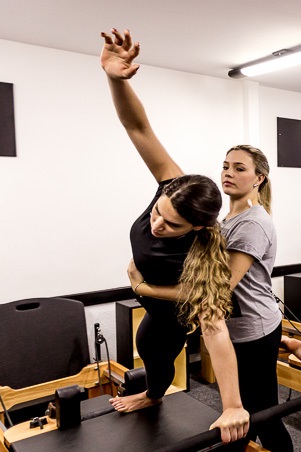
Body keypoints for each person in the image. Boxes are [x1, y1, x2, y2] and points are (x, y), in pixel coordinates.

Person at [100, 29, 247, 443]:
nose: (156, 225)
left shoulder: (204, 250)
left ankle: (152, 395)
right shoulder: (173, 186)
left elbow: (214, 327)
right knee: (146, 352)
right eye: (158, 213)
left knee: (158, 354)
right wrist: (116, 78)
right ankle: (153, 391)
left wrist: (232, 405)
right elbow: (137, 127)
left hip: (170, 318)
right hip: (149, 305)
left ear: (196, 228)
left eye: (171, 226)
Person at [219, 143, 295, 452]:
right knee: (248, 411)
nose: (228, 173)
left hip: (254, 330)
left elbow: (221, 286)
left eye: (239, 168)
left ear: (258, 178)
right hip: (240, 328)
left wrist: (145, 288)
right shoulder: (227, 219)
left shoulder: (252, 223)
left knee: (262, 414)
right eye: (226, 166)